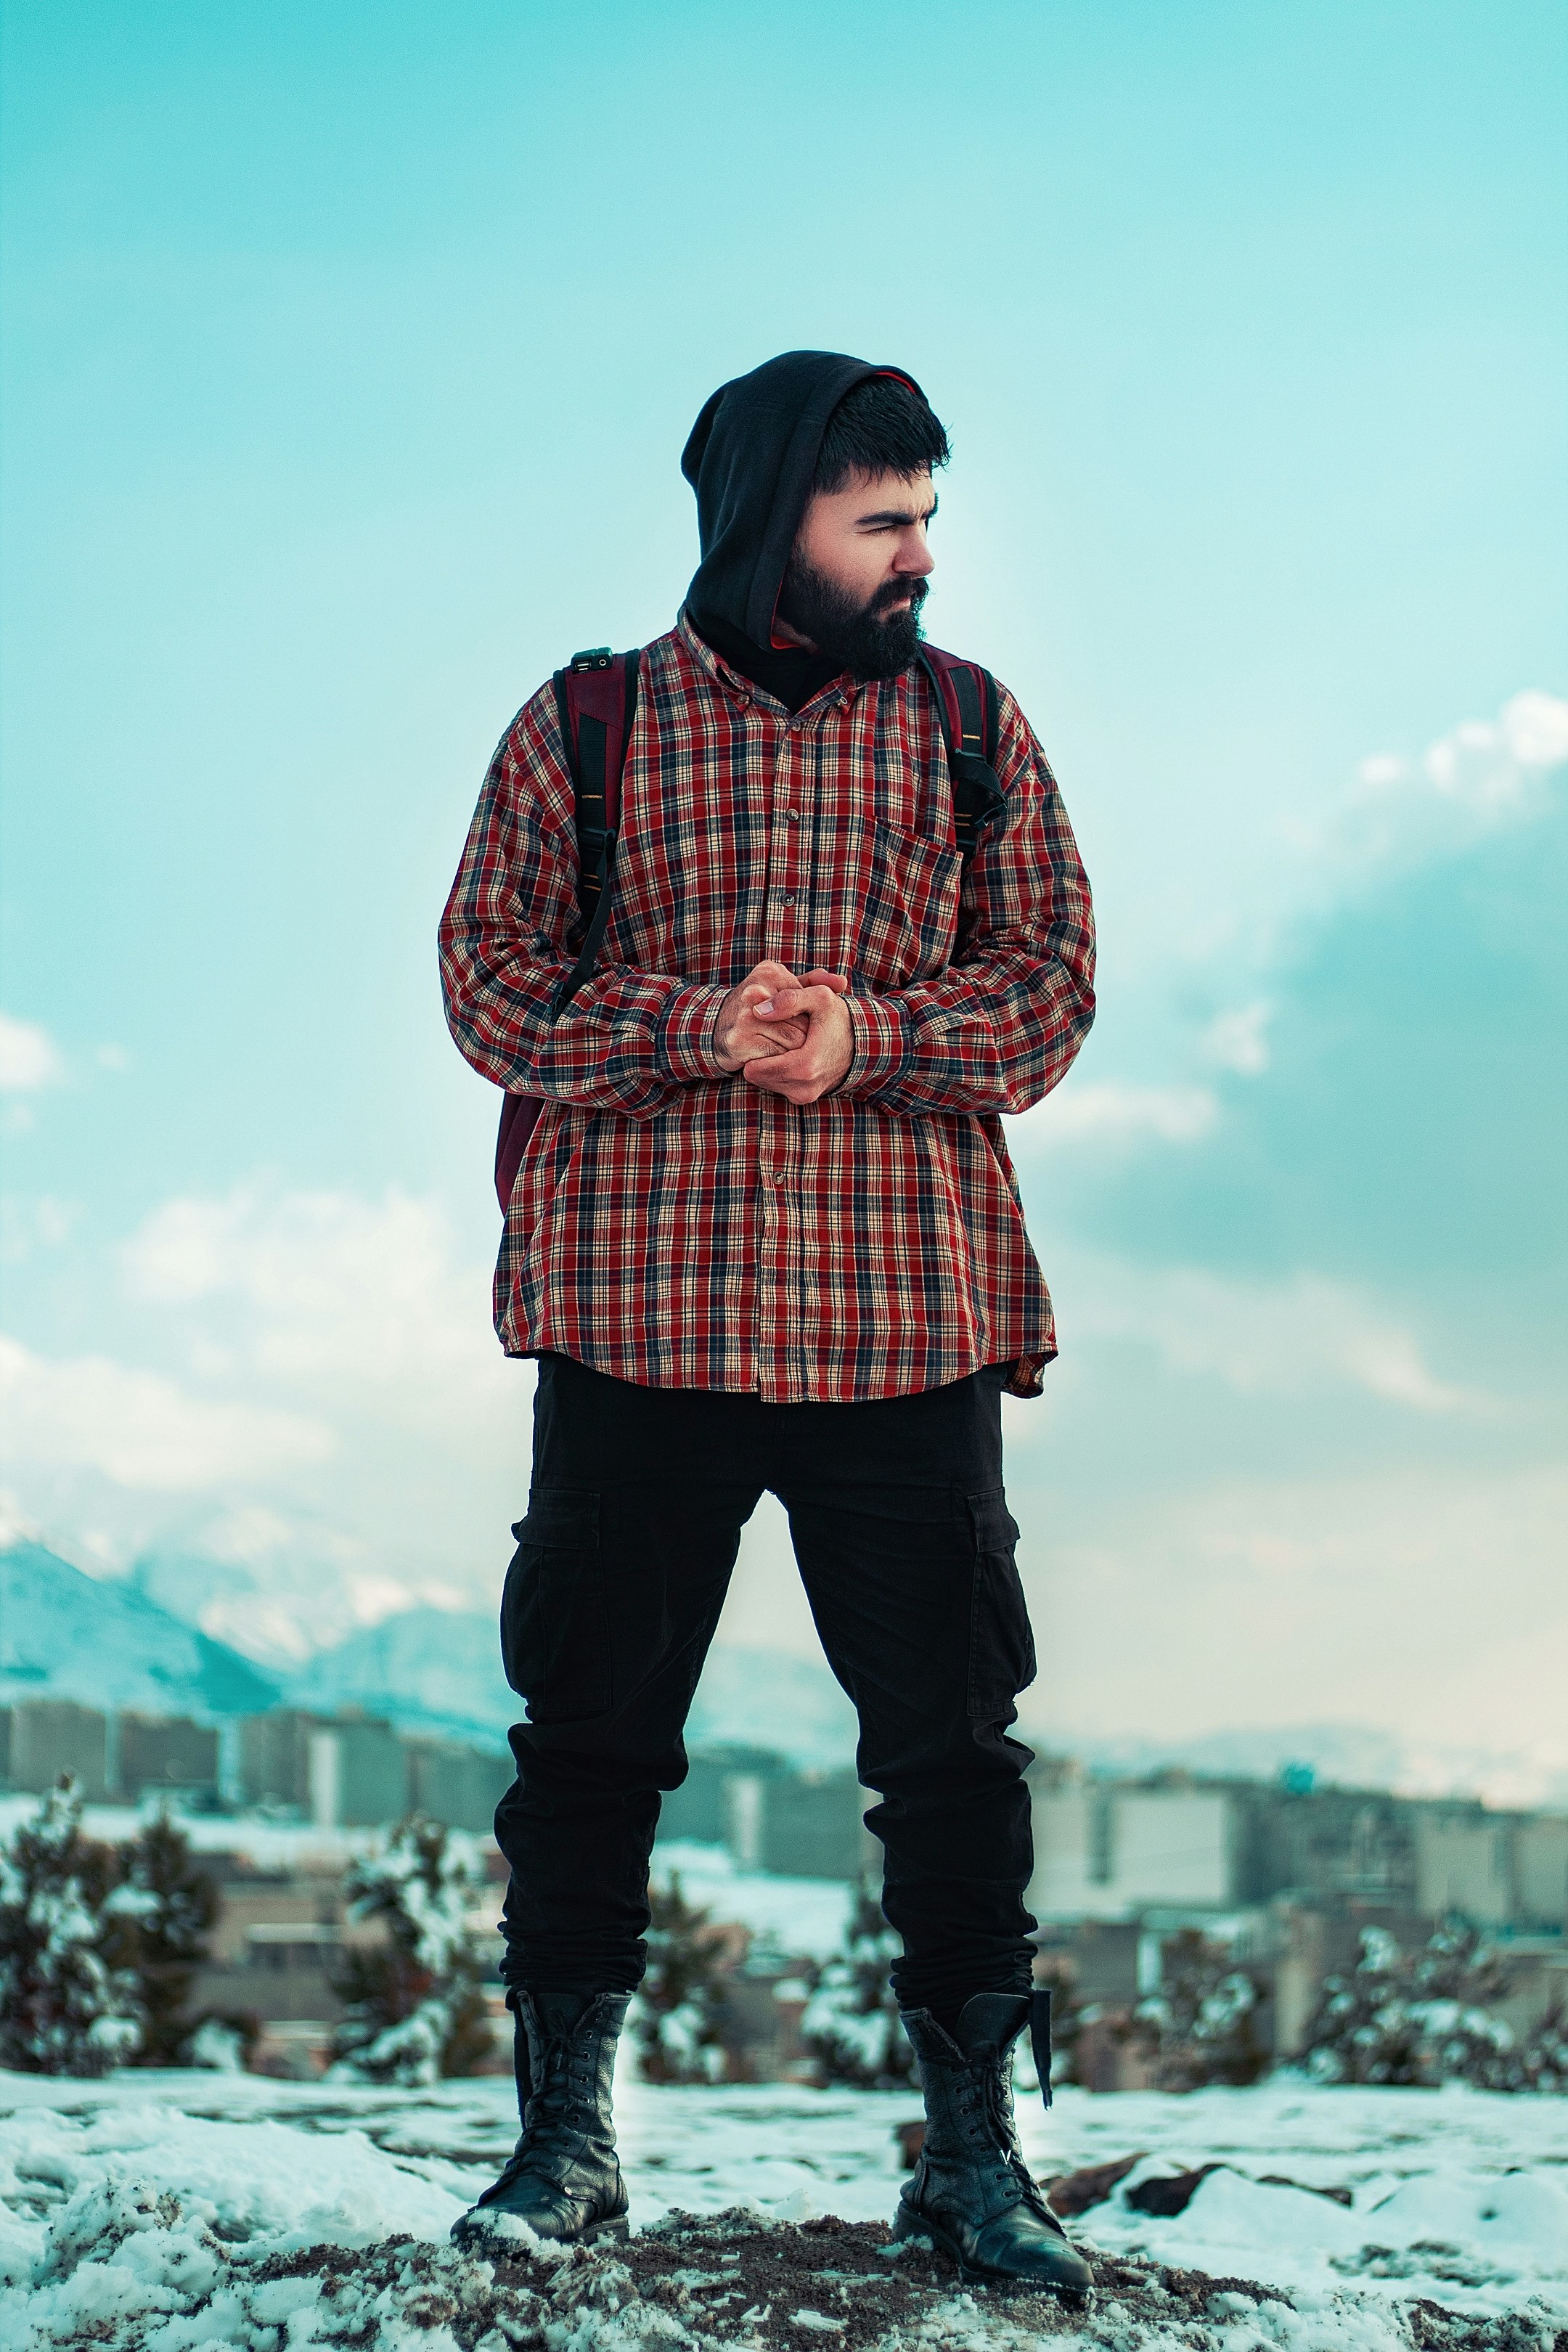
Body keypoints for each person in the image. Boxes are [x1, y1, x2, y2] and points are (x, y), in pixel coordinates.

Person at [438, 351, 1096, 2290]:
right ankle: (565, 2148)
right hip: (633, 1319)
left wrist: (869, 1039)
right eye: (879, 519)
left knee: (954, 1754)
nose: (917, 558)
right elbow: (486, 982)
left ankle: (978, 2159)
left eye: (926, 521)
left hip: (907, 1322)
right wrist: (692, 1023)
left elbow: (1051, 988)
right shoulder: (591, 724)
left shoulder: (973, 729)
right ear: (771, 520)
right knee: (587, 1747)